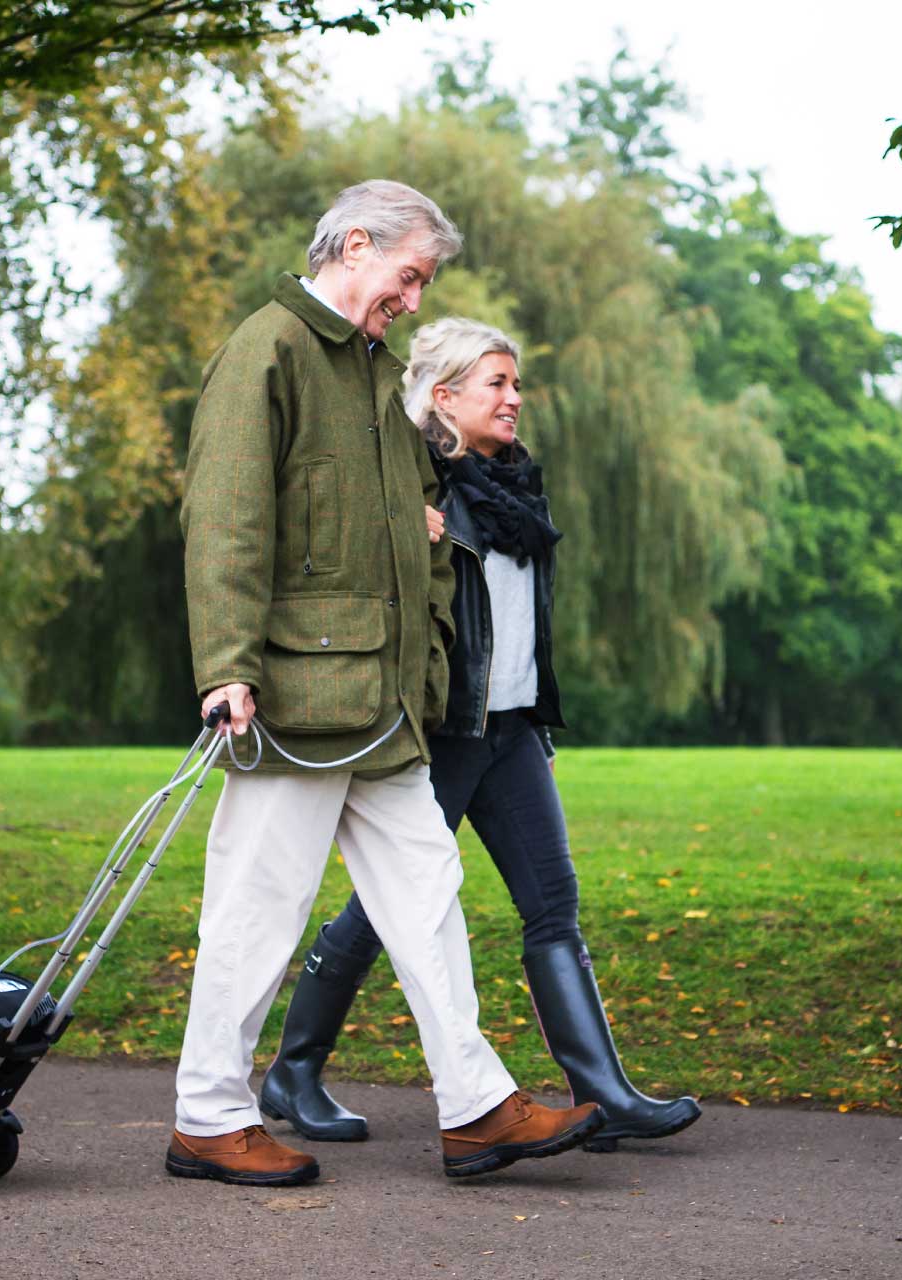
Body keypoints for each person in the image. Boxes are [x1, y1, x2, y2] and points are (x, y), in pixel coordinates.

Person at [170, 181, 606, 1187]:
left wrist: (419, 519)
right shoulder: (266, 350)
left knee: (427, 894)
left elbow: (398, 502)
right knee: (257, 906)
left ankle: (476, 1104)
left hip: (382, 704)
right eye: (408, 275)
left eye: (421, 283)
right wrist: (228, 666)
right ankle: (204, 1113)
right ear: (354, 244)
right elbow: (227, 520)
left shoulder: (369, 374)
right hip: (293, 697)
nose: (412, 299)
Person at [259, 317, 702, 1152]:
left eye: (517, 383)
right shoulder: (412, 489)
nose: (515, 398)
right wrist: (403, 524)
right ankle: (295, 1069)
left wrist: (536, 714)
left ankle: (601, 1093)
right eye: (496, 383)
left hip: (515, 732)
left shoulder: (516, 492)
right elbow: (331, 546)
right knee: (385, 911)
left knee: (553, 906)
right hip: (444, 733)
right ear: (444, 395)